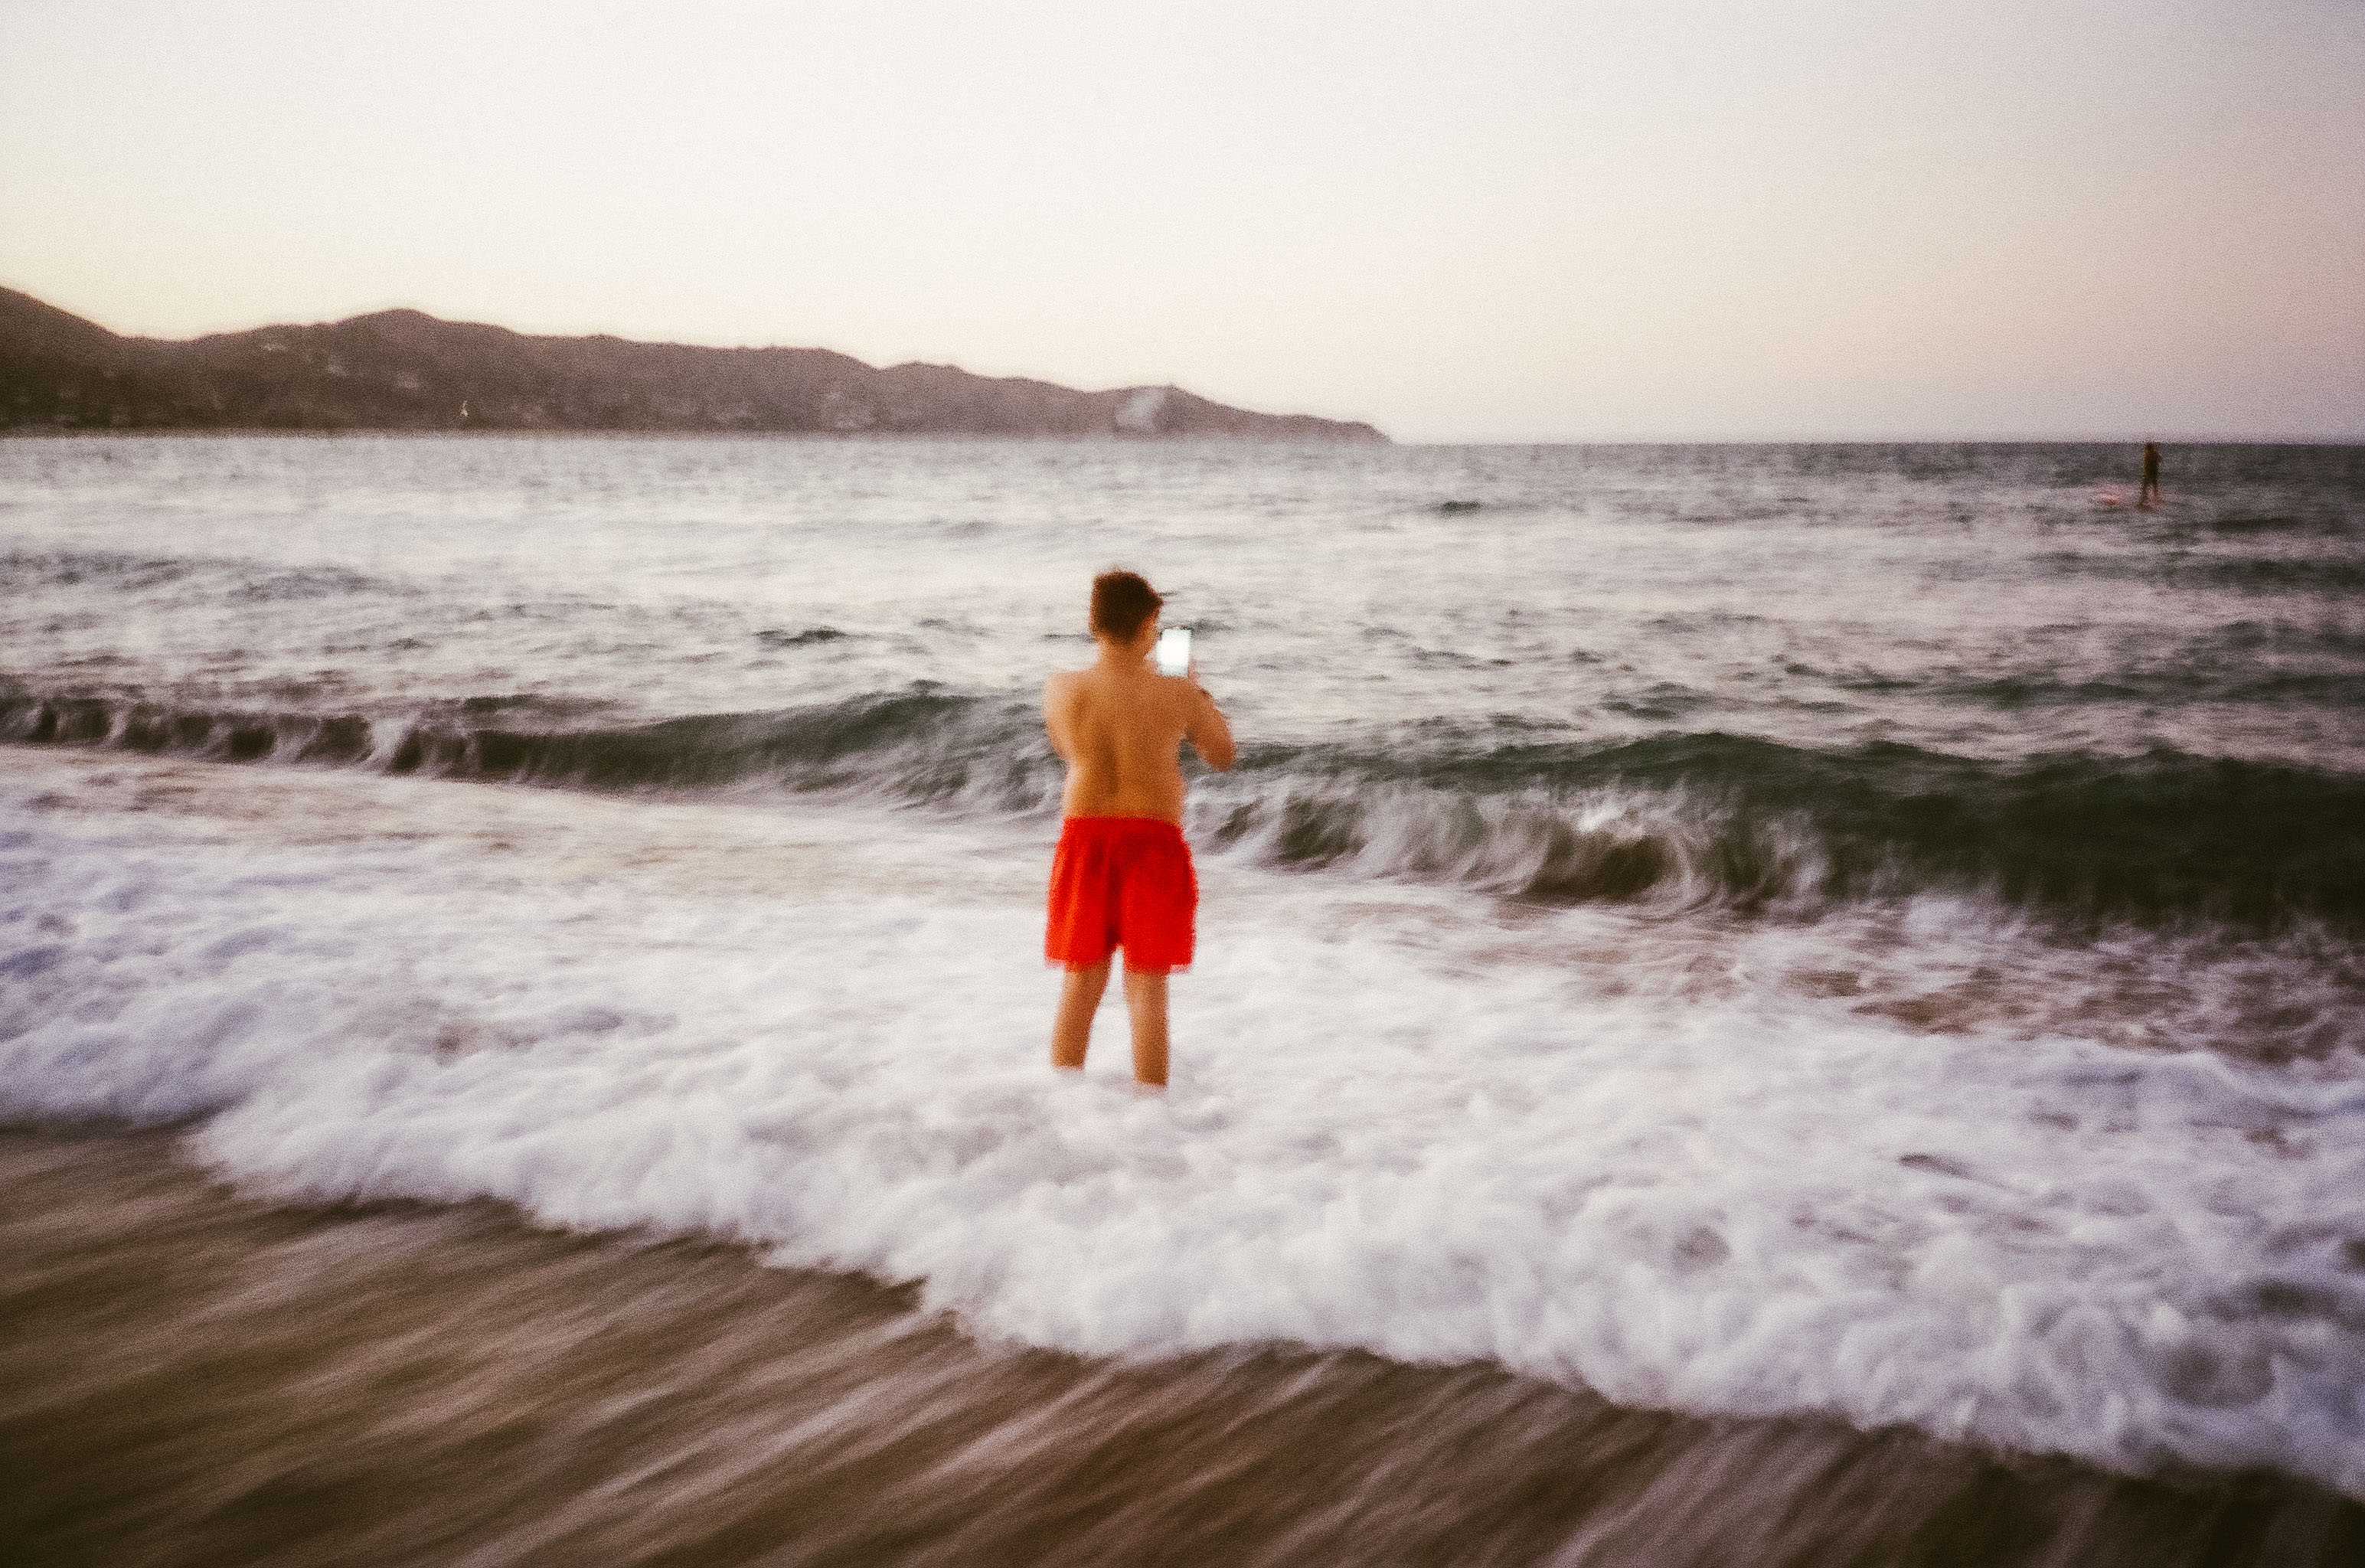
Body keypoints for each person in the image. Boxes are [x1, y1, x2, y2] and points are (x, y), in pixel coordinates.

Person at [1041, 570, 1236, 1089]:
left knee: (1081, 981)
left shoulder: (1063, 689)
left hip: (1085, 838)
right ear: (1150, 625)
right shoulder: (1175, 692)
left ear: (1093, 624)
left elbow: (1068, 749)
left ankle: (1064, 1101)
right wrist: (1195, 692)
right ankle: (1151, 1113)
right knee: (1147, 986)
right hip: (1152, 842)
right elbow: (1221, 754)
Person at [2139, 441, 2162, 509]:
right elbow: (2159, 459)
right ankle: (2156, 498)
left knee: (2145, 486)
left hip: (2148, 473)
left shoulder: (2148, 454)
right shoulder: (2154, 454)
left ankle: (2143, 499)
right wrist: (2156, 450)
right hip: (2154, 472)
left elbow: (2148, 464)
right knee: (2154, 485)